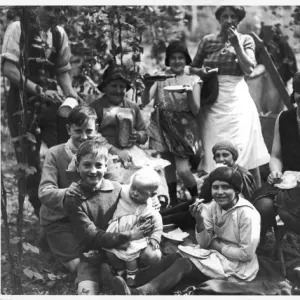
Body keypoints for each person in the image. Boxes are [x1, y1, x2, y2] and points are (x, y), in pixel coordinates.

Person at [109, 166, 261, 295]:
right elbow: (203, 243)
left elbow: (246, 254)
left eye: (226, 187)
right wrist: (200, 221)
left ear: (236, 189)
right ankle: (132, 283)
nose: (219, 192)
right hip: (216, 254)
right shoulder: (214, 206)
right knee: (176, 255)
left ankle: (141, 293)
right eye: (215, 187)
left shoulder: (247, 214)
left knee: (184, 264)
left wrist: (218, 246)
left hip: (237, 266)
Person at [1, 6, 80, 215]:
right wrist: (41, 91)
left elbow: (62, 70)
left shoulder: (59, 33)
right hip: (22, 105)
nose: (55, 15)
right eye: (50, 9)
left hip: (52, 106)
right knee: (29, 163)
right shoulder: (18, 28)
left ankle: (65, 207)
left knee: (65, 153)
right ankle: (40, 213)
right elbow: (9, 69)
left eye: (59, 10)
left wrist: (71, 93)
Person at [190, 6, 270, 188]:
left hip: (237, 99)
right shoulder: (207, 41)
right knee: (213, 146)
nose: (229, 20)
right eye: (224, 16)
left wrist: (237, 46)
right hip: (212, 98)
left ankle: (254, 195)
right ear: (219, 19)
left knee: (244, 148)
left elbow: (249, 69)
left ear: (239, 20)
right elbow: (192, 67)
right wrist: (202, 72)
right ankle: (217, 194)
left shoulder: (246, 40)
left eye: (233, 16)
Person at [63, 139, 154, 295]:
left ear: (106, 166)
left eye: (98, 165)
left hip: (121, 251)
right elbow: (92, 236)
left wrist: (152, 200)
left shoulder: (117, 189)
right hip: (91, 255)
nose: (93, 171)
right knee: (86, 293)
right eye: (87, 165)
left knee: (147, 266)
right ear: (77, 166)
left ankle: (120, 279)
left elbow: (139, 197)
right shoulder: (73, 198)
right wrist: (130, 235)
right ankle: (108, 277)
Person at [38, 105, 109, 273]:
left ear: (96, 129)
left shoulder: (102, 153)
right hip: (61, 219)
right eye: (78, 131)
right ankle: (58, 249)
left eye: (89, 131)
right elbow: (44, 191)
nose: (84, 137)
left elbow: (115, 183)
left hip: (91, 219)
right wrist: (65, 193)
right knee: (77, 265)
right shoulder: (55, 153)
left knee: (116, 253)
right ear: (68, 129)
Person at [90, 63, 169, 205]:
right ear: (105, 87)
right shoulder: (96, 107)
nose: (118, 90)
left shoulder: (131, 107)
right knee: (119, 178)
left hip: (131, 151)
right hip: (105, 151)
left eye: (122, 87)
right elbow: (92, 135)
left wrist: (138, 136)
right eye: (114, 86)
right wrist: (115, 151)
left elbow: (144, 133)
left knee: (152, 171)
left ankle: (159, 201)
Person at [142, 40, 202, 206]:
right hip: (162, 123)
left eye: (180, 57)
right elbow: (146, 100)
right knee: (168, 165)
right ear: (168, 59)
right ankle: (173, 200)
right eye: (173, 57)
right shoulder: (161, 78)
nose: (177, 61)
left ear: (186, 59)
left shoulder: (194, 79)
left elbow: (196, 109)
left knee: (183, 169)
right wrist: (147, 86)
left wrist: (189, 92)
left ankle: (197, 197)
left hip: (183, 126)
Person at [251, 71, 300, 244]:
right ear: (294, 93)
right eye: (299, 90)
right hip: (286, 179)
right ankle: (259, 243)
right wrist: (276, 171)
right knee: (263, 205)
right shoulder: (285, 117)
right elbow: (276, 155)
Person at [161, 140, 257, 229]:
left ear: (234, 157)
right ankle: (158, 214)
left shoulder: (242, 175)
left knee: (182, 216)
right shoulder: (219, 172)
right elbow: (204, 196)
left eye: (225, 155)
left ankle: (157, 220)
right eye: (217, 156)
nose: (221, 159)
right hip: (213, 205)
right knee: (190, 203)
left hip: (226, 216)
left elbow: (250, 204)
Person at [104, 167, 163, 287]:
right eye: (133, 188)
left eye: (141, 192)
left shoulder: (149, 208)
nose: (135, 193)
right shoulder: (124, 192)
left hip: (134, 239)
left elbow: (158, 221)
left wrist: (155, 238)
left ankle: (132, 275)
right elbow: (113, 185)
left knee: (131, 256)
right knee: (110, 252)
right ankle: (119, 270)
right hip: (117, 233)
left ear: (152, 194)